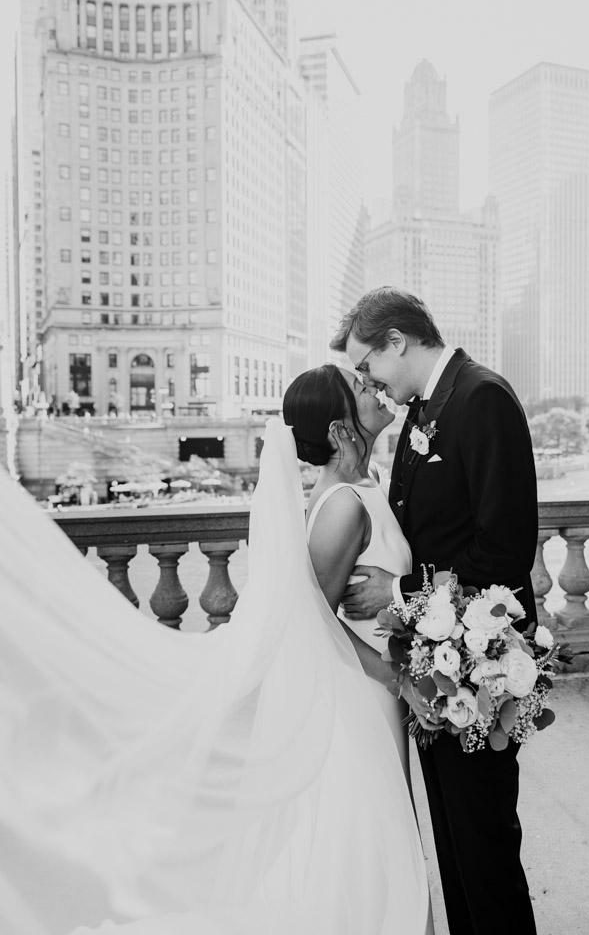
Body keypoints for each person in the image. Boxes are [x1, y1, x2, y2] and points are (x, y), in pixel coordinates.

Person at [0, 378, 430, 935]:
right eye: (360, 386)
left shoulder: (361, 485)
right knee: (370, 843)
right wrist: (393, 675)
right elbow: (313, 623)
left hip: (373, 685)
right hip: (363, 692)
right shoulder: (343, 505)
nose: (375, 388)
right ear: (338, 428)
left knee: (377, 839)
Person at [331, 286, 539, 935]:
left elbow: (503, 547)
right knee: (452, 840)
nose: (368, 381)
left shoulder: (482, 399)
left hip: (480, 662)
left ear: (397, 340)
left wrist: (397, 595)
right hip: (434, 661)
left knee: (483, 842)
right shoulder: (424, 412)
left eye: (367, 365)